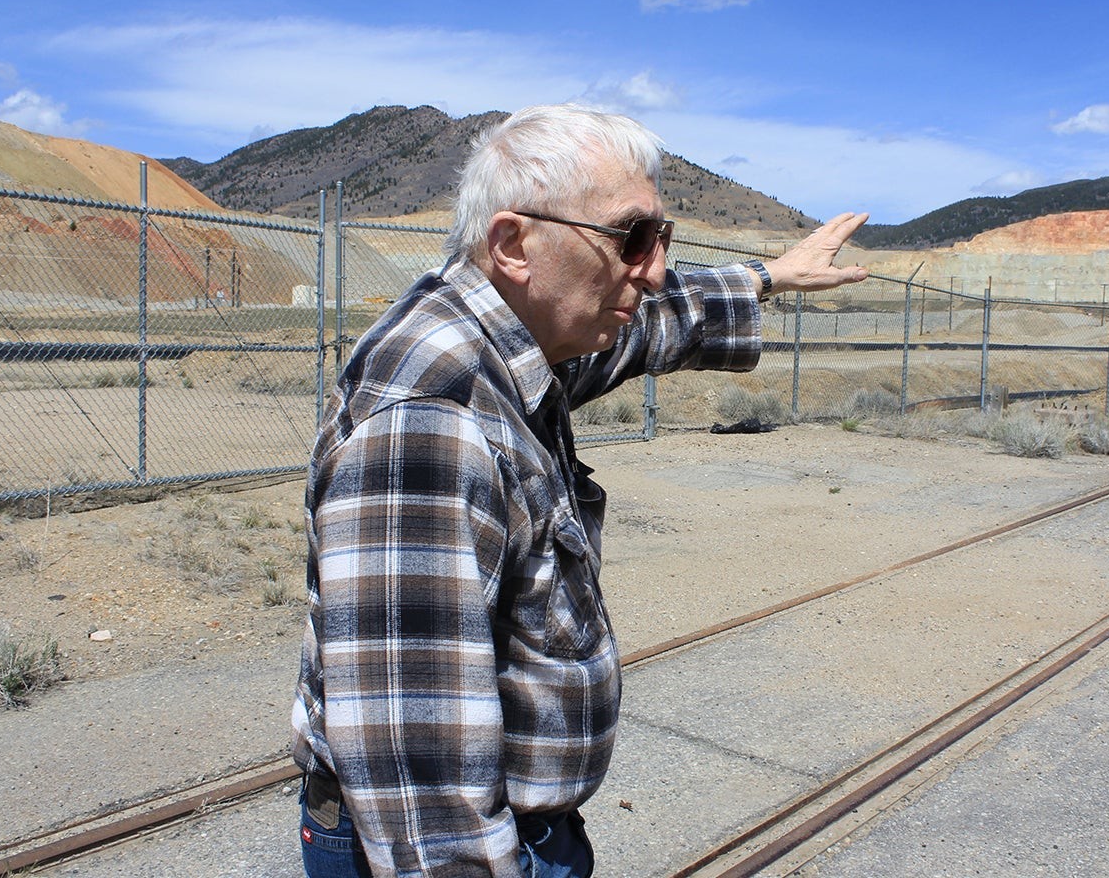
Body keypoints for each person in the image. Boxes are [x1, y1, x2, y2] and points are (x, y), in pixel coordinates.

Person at [291, 103, 868, 878]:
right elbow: (419, 771)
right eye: (630, 238)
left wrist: (767, 276)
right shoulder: (431, 421)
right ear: (514, 244)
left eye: (660, 239)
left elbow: (644, 326)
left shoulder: (508, 339)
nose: (654, 266)